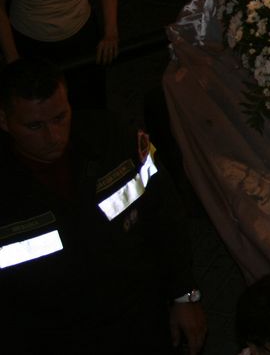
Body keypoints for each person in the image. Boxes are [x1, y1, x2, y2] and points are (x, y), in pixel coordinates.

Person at [0, 57, 206, 354]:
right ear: (4, 121)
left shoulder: (114, 138)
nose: (53, 136)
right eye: (35, 126)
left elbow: (166, 216)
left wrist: (184, 295)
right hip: (53, 337)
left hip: (140, 319)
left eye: (60, 117)